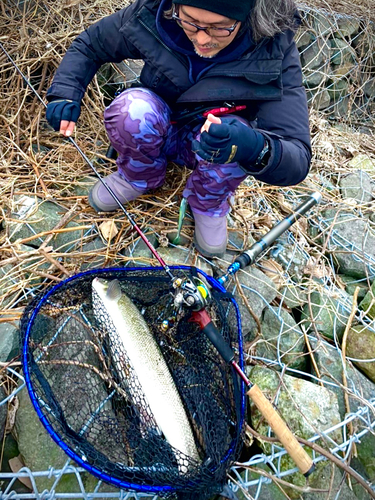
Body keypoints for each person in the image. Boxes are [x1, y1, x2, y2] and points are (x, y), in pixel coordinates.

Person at [45, 0, 311, 259]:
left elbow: (296, 157)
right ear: (175, 7)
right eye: (191, 22)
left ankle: (207, 201)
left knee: (239, 142)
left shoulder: (274, 49)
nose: (203, 39)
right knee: (131, 110)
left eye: (220, 27)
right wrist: (66, 94)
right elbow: (91, 44)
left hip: (213, 145)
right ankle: (138, 175)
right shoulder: (153, 13)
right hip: (158, 121)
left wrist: (253, 145)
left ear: (248, 18)